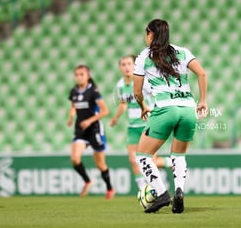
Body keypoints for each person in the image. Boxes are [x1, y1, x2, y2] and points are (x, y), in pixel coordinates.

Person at [134, 19, 207, 213]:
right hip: (188, 108)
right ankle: (179, 191)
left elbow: (137, 92)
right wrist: (203, 101)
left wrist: (142, 106)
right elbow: (202, 74)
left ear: (151, 34)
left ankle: (161, 193)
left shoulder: (144, 56)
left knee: (142, 156)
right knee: (179, 154)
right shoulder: (182, 52)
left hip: (166, 108)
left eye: (146, 32)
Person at [110, 55, 172, 190]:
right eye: (123, 64)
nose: (126, 67)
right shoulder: (120, 85)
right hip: (133, 127)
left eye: (129, 64)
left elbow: (158, 95)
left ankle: (170, 161)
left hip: (147, 124)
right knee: (133, 160)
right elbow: (123, 104)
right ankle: (143, 190)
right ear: (120, 68)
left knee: (150, 160)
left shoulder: (142, 81)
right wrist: (115, 118)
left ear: (134, 66)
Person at [67, 64, 115, 199]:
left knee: (100, 163)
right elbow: (73, 107)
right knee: (75, 158)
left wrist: (89, 121)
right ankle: (88, 181)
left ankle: (110, 188)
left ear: (88, 76)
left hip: (94, 129)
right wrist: (71, 116)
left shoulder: (94, 92)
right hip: (81, 129)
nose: (79, 77)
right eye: (76, 74)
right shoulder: (74, 91)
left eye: (82, 74)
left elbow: (105, 111)